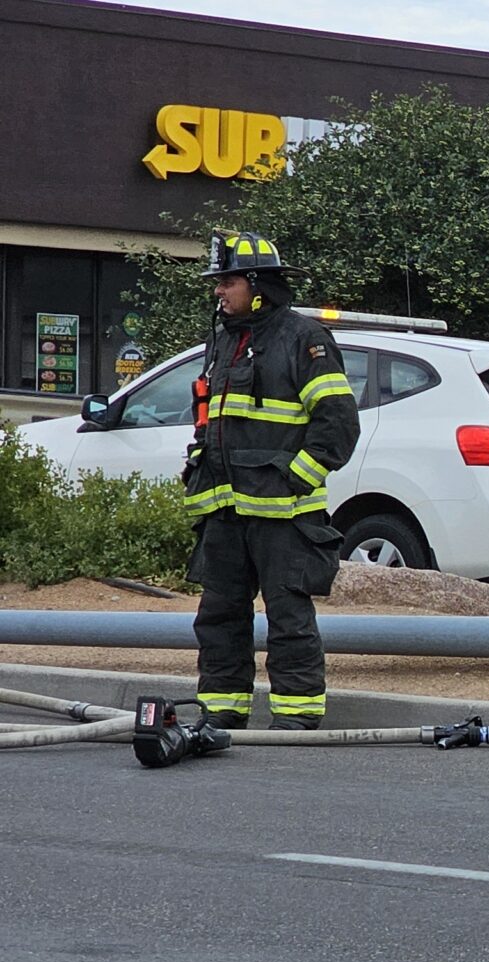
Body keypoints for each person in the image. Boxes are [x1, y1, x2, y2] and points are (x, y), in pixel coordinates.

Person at [181, 232, 358, 729]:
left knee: (288, 618)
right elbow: (212, 415)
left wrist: (296, 479)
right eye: (217, 282)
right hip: (226, 510)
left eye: (228, 281)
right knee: (217, 616)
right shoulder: (224, 339)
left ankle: (296, 719)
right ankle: (221, 711)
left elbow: (339, 422)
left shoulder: (303, 338)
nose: (219, 291)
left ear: (257, 285)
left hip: (283, 517)